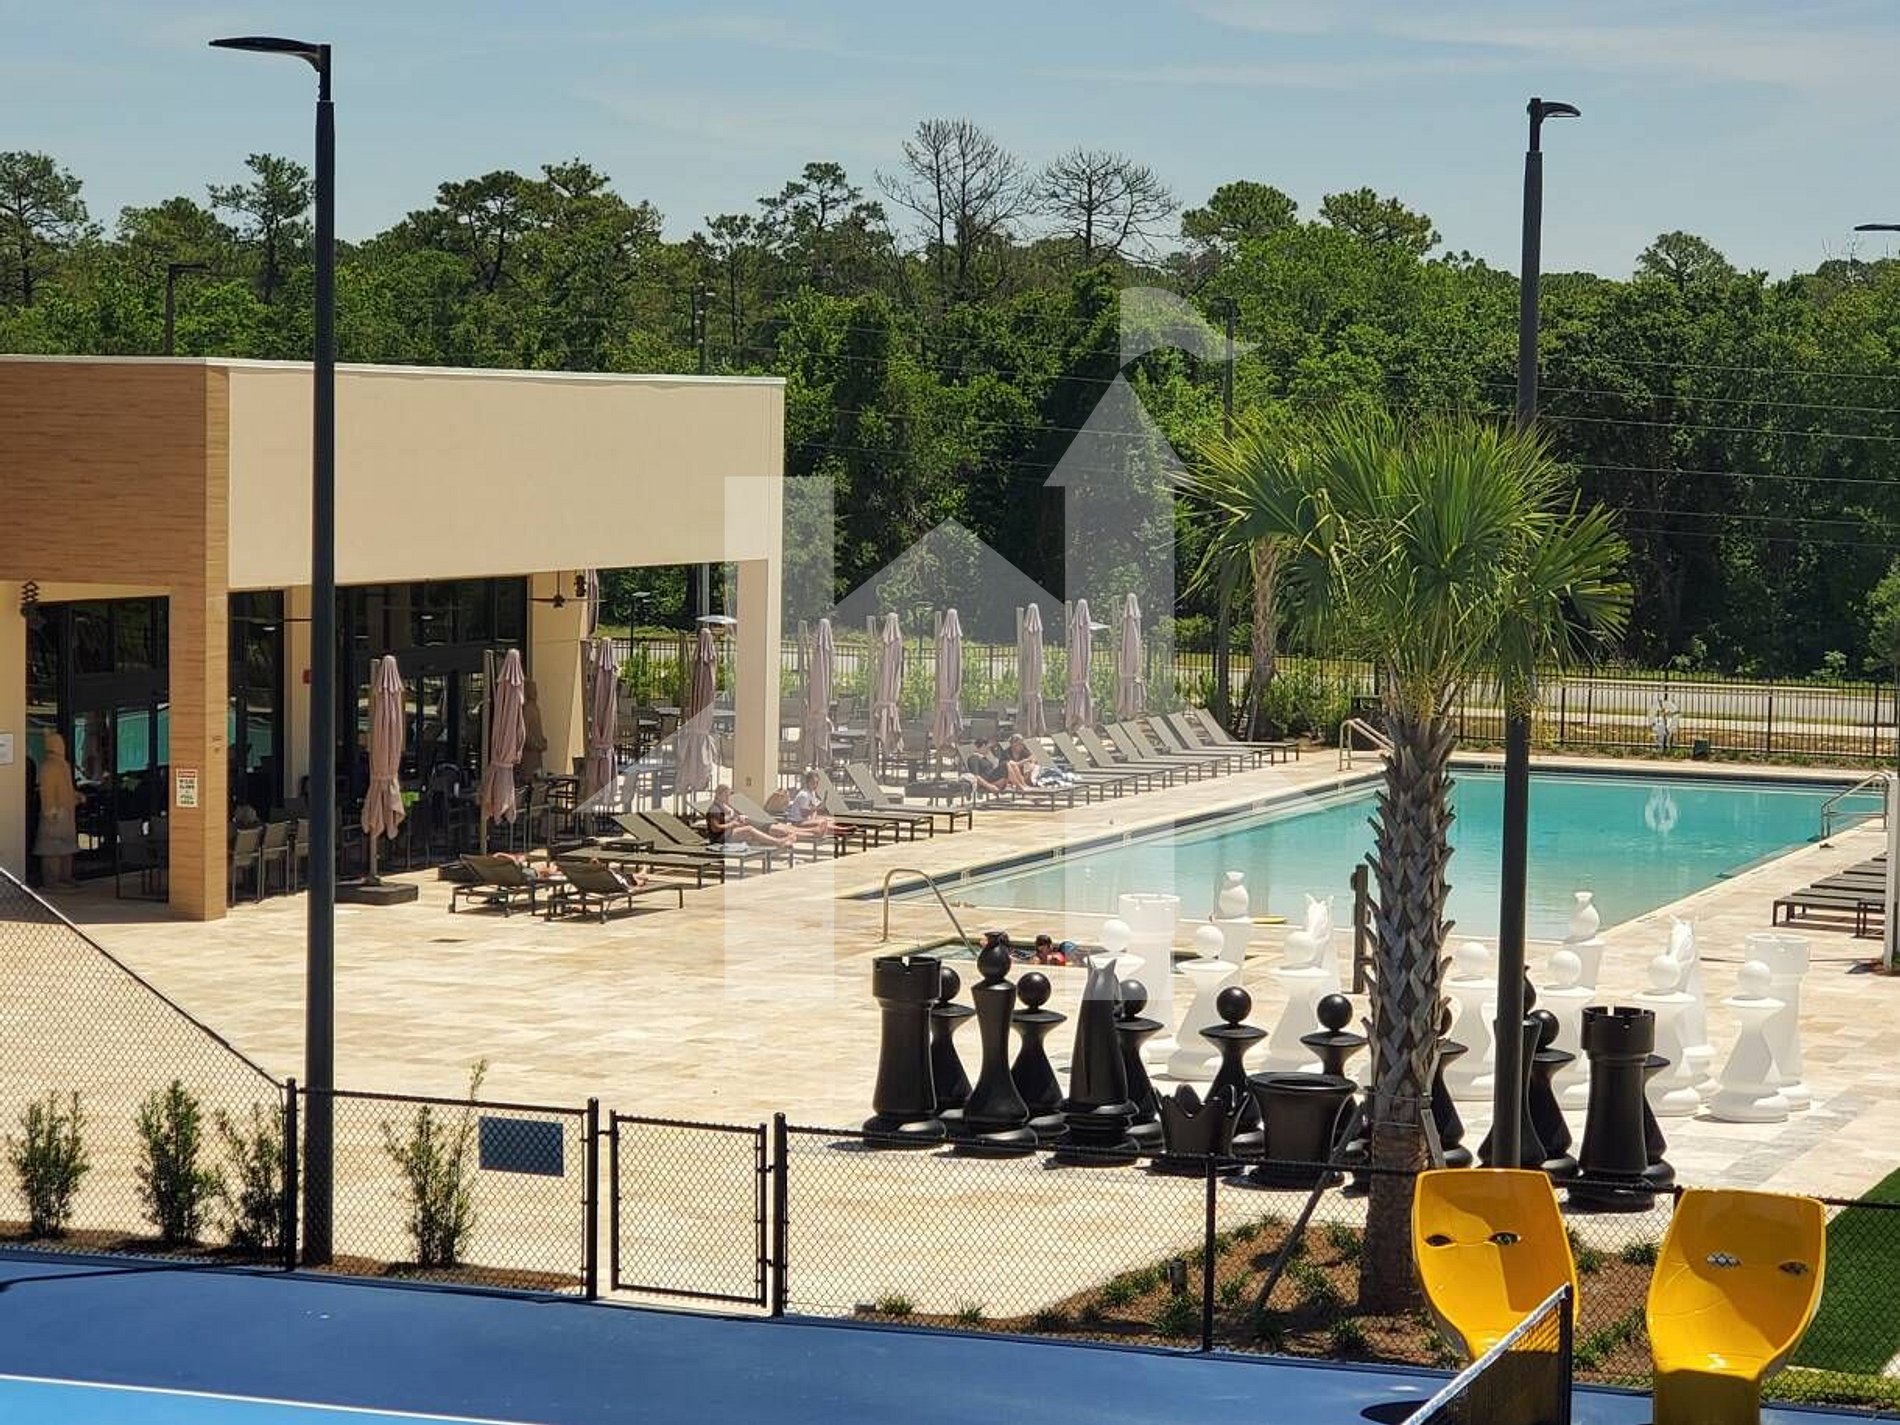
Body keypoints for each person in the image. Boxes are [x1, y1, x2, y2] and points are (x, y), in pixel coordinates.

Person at [33, 731, 83, 889]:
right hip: (55, 814)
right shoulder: (48, 766)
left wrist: (76, 796)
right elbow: (46, 791)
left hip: (67, 812)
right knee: (52, 848)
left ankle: (65, 876)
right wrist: (50, 810)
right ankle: (52, 880)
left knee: (67, 846)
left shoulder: (63, 765)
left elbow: (66, 788)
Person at [706, 784, 798, 848]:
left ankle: (776, 842)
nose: (728, 798)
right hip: (721, 838)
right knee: (749, 830)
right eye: (726, 796)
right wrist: (732, 824)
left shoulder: (721, 806)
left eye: (728, 795)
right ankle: (778, 842)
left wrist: (734, 818)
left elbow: (723, 819)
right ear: (719, 795)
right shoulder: (714, 809)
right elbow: (715, 827)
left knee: (750, 829)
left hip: (726, 834)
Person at [782, 771, 842, 839]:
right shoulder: (804, 795)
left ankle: (841, 830)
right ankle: (842, 830)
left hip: (805, 820)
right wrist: (817, 809)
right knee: (822, 823)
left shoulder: (812, 793)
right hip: (797, 822)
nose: (815, 785)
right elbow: (804, 814)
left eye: (817, 783)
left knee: (830, 820)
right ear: (807, 782)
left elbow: (814, 810)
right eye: (813, 783)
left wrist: (814, 818)